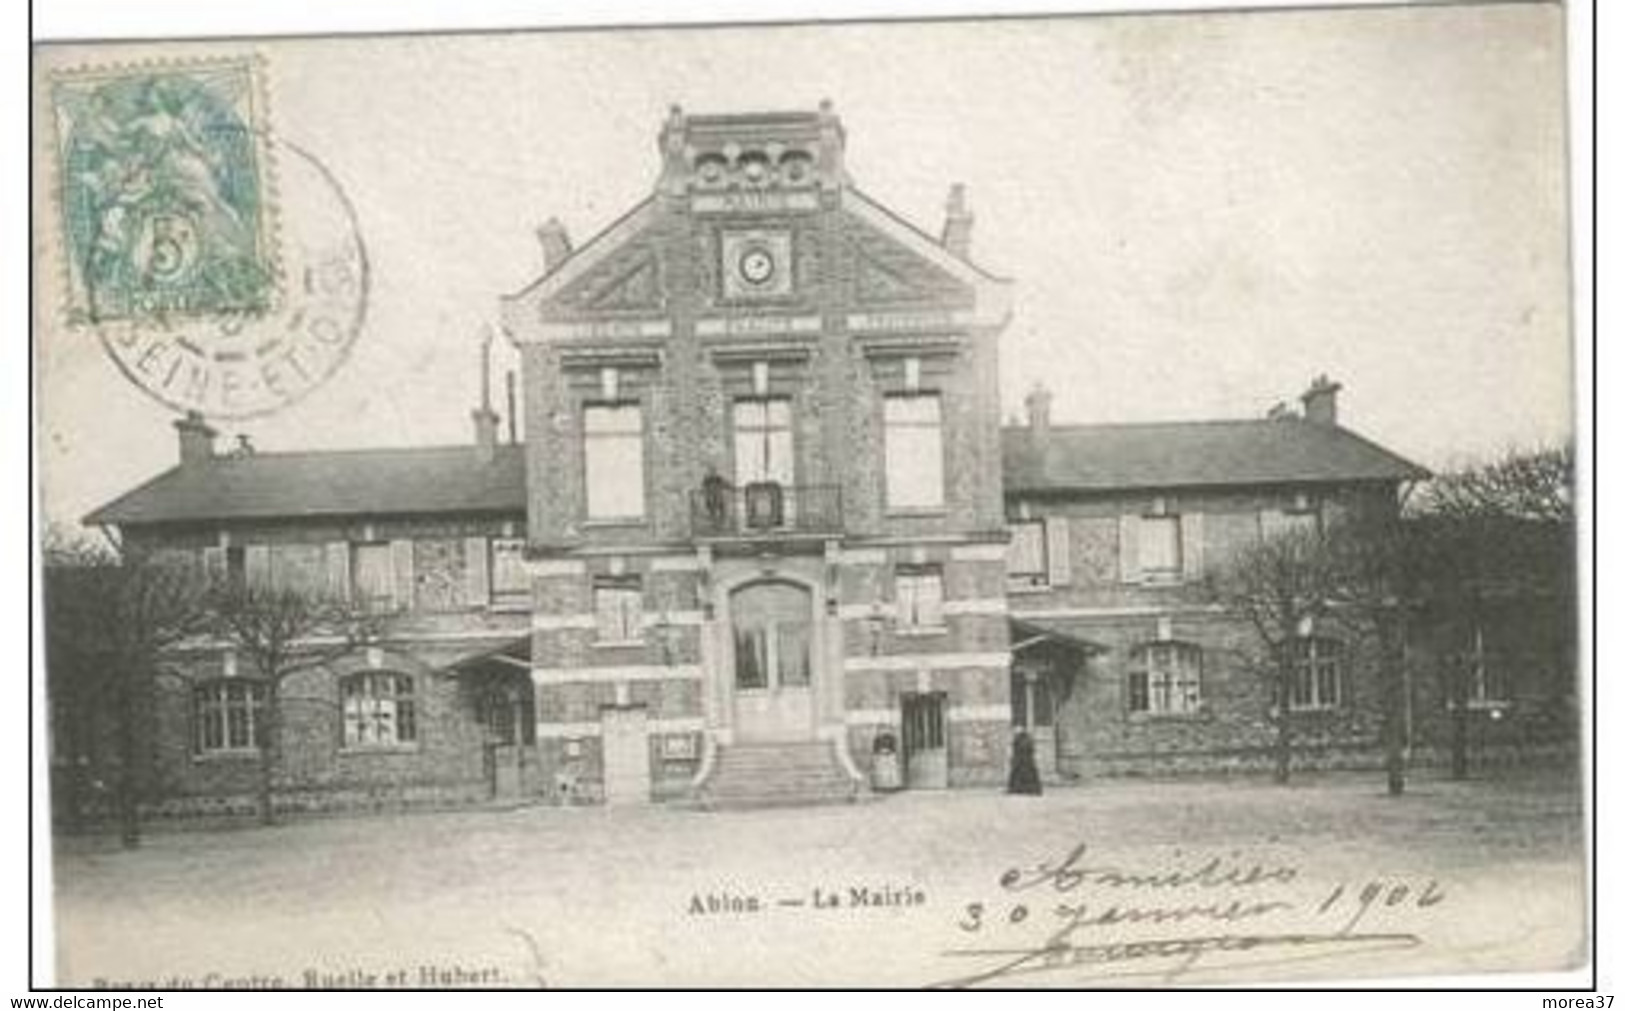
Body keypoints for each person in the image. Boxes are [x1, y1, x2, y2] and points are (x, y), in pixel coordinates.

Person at [1007, 730, 1042, 796]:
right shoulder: (1027, 740)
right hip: (1027, 760)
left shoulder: (1018, 740)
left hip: (1021, 760)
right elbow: (1031, 750)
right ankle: (1029, 789)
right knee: (1028, 774)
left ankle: (1018, 789)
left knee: (1018, 773)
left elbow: (1015, 750)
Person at [700, 467, 731, 532]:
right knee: (713, 512)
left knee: (721, 511)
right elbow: (703, 488)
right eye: (711, 472)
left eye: (713, 472)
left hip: (718, 498)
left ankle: (720, 525)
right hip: (711, 498)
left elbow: (727, 485)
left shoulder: (718, 478)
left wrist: (727, 486)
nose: (712, 473)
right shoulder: (707, 480)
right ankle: (715, 525)